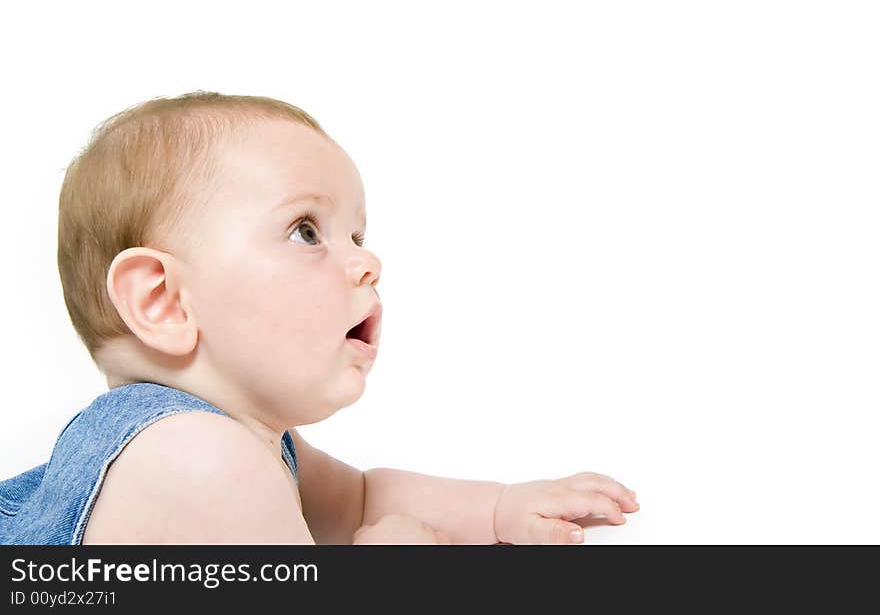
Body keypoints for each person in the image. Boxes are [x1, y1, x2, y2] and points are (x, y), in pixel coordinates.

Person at [0, 91, 638, 545]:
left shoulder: (249, 441)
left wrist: (501, 510)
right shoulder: (192, 459)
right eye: (307, 230)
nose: (368, 261)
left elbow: (361, 500)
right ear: (162, 301)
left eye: (358, 233)